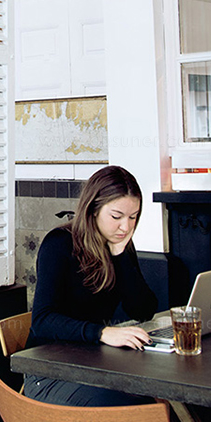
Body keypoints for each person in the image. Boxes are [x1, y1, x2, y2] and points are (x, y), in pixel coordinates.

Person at [24, 165, 158, 408]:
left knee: (153, 395)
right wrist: (102, 333)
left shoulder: (119, 245)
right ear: (93, 209)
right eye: (116, 217)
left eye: (133, 217)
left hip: (92, 364)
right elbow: (42, 320)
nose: (126, 227)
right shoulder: (59, 244)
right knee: (135, 405)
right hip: (49, 372)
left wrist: (120, 256)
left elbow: (143, 310)